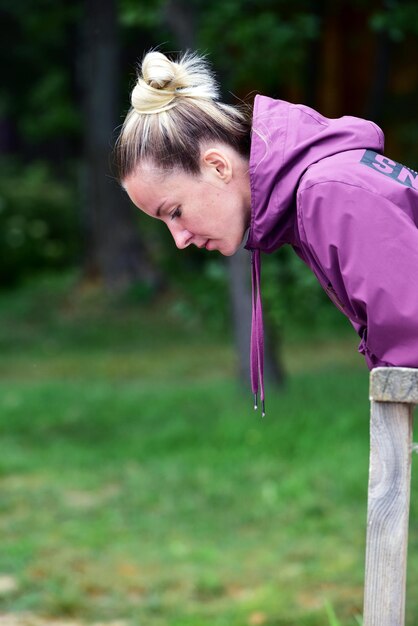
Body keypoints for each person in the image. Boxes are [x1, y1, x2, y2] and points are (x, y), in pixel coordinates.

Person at [115, 50, 418, 415]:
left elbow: (411, 346)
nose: (179, 239)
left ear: (217, 166)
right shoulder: (321, 187)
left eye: (175, 212)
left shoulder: (327, 192)